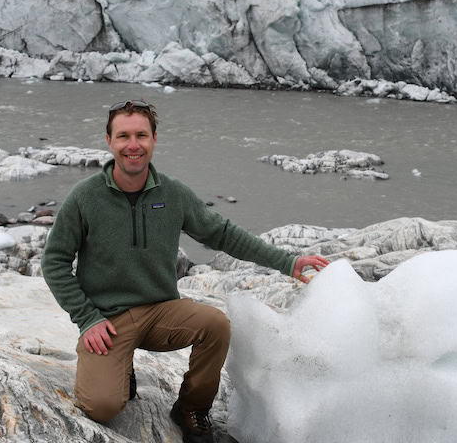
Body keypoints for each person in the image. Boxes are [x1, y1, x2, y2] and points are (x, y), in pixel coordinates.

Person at [41, 100, 329, 443]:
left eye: (141, 136)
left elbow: (222, 233)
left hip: (161, 310)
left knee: (215, 325)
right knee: (101, 407)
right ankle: (122, 370)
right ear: (109, 141)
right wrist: (86, 318)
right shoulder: (85, 197)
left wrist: (289, 262)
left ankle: (191, 408)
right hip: (108, 320)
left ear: (154, 140)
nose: (133, 145)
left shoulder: (172, 194)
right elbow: (54, 261)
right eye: (123, 136)